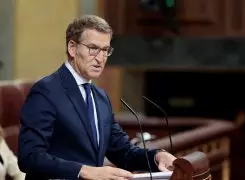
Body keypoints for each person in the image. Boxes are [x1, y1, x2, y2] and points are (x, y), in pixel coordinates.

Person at [18, 15, 176, 180]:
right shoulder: (46, 91)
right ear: (72, 48)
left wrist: (156, 157)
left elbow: (123, 152)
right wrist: (84, 171)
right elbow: (30, 157)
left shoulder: (100, 97)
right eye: (93, 48)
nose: (100, 59)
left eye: (105, 50)